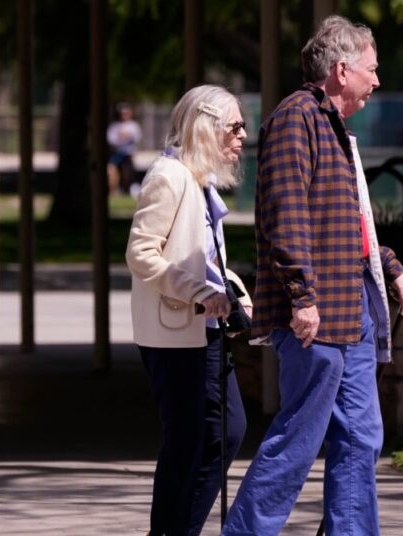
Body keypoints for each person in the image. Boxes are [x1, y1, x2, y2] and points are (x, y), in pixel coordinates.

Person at [221, 16, 403, 536]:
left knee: (361, 437)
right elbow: (287, 215)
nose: (377, 81)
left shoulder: (336, 127)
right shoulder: (296, 119)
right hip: (315, 313)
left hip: (349, 308)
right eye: (371, 69)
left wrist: (392, 268)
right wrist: (301, 297)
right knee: (299, 439)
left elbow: (347, 222)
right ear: (341, 69)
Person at [126, 84, 253, 536]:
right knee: (186, 441)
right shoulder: (169, 176)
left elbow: (204, 256)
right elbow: (142, 254)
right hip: (175, 332)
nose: (243, 136)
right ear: (205, 128)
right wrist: (199, 292)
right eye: (234, 127)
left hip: (206, 327)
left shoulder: (199, 179)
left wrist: (234, 293)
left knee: (227, 431)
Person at [107, 102, 142, 196]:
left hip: (128, 153)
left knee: (127, 175)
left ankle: (127, 191)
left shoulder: (133, 125)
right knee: (112, 171)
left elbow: (136, 137)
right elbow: (111, 139)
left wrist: (124, 136)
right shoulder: (114, 126)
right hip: (117, 153)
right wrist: (124, 137)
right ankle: (113, 192)